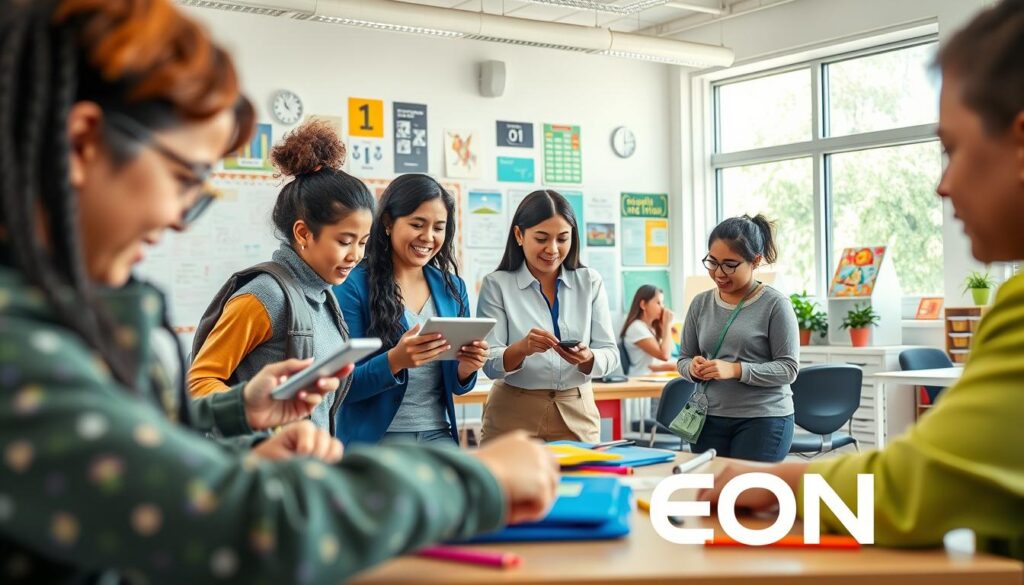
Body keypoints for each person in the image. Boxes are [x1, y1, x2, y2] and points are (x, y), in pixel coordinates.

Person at [0, 1, 558, 582]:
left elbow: (141, 456)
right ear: (85, 142)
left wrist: (239, 415)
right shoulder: (19, 348)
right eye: (184, 179)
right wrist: (479, 479)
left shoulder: (67, 309)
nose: (177, 218)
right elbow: (243, 524)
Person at [700, 0, 1024, 561]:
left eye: (953, 149)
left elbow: (912, 488)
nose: (942, 186)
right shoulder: (706, 305)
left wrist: (774, 483)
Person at [188, 119, 374, 436]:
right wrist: (252, 412)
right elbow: (198, 383)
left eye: (363, 242)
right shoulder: (265, 296)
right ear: (303, 233)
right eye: (344, 241)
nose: (355, 255)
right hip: (261, 464)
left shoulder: (323, 295)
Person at [334, 174, 487, 445]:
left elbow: (455, 385)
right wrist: (395, 361)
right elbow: (343, 384)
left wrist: (467, 368)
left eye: (438, 228)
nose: (428, 237)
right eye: (417, 224)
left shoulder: (452, 288)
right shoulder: (352, 285)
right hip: (378, 438)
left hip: (438, 433)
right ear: (388, 223)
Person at [477, 190, 620, 444]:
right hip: (512, 414)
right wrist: (522, 348)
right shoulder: (496, 284)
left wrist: (588, 359)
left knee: (584, 483)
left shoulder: (590, 281)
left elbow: (610, 354)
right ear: (519, 235)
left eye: (562, 239)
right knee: (511, 484)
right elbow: (489, 362)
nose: (552, 249)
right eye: (541, 238)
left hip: (577, 411)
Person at [676, 215, 799, 462]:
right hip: (707, 418)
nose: (719, 273)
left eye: (730, 265)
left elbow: (788, 369)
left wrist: (735, 370)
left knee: (747, 497)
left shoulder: (775, 305)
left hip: (763, 419)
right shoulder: (700, 303)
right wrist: (692, 367)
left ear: (755, 261)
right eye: (712, 262)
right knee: (711, 496)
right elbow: (684, 358)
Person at [620, 284, 677, 376]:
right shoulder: (636, 327)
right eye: (658, 303)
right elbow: (665, 355)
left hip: (653, 377)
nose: (662, 307)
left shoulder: (650, 328)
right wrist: (667, 324)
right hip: (641, 379)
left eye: (662, 303)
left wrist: (665, 328)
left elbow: (670, 351)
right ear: (643, 305)